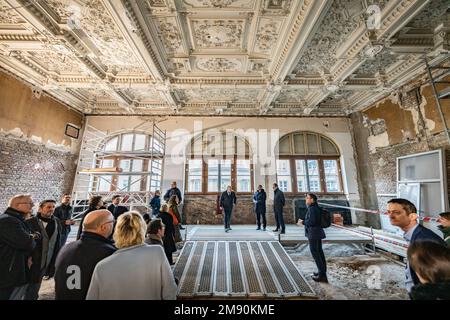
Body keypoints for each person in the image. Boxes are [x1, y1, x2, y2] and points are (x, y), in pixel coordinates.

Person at [86, 211, 177, 300]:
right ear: (142, 231)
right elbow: (170, 292)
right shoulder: (156, 252)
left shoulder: (101, 267)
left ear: (117, 232)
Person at [387, 198, 447, 294]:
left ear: (412, 216)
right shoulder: (415, 235)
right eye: (388, 212)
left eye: (396, 212)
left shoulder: (424, 240)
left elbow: (438, 280)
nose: (390, 216)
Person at [54, 209, 116, 300]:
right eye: (112, 221)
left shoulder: (66, 248)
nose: (114, 224)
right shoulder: (109, 253)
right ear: (104, 227)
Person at [0, 195, 39, 300]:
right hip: (7, 273)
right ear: (17, 205)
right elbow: (27, 244)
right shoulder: (8, 221)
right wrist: (33, 237)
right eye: (30, 203)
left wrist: (30, 236)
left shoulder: (15, 219)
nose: (33, 205)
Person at [25, 199, 62, 300]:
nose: (52, 209)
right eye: (48, 207)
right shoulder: (29, 222)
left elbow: (57, 242)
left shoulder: (57, 222)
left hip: (46, 261)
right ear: (40, 208)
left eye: (53, 207)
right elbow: (24, 243)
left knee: (36, 286)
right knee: (26, 287)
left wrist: (54, 261)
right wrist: (27, 257)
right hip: (31, 261)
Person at [298, 193, 327, 282]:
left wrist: (302, 222)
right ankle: (321, 272)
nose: (306, 200)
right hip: (317, 232)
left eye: (307, 198)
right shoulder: (315, 207)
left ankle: (322, 275)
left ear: (312, 200)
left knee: (315, 253)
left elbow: (312, 221)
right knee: (319, 252)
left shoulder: (312, 209)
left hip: (314, 233)